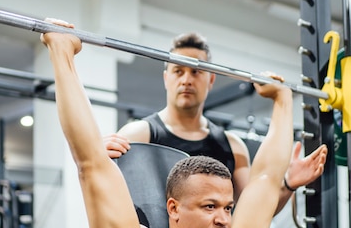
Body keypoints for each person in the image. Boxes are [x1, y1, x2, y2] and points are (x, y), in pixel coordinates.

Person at [40, 23, 327, 228]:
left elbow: (265, 180)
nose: (224, 218)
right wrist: (61, 52)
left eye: (227, 208)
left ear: (210, 79)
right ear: (173, 207)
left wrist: (283, 100)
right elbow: (91, 164)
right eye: (209, 207)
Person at [104, 32, 326, 210]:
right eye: (178, 71)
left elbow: (256, 210)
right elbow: (109, 199)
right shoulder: (139, 134)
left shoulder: (232, 146)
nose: (187, 80)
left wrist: (287, 184)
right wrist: (98, 158)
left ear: (211, 79)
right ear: (166, 78)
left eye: (195, 71)